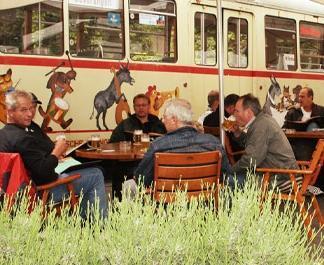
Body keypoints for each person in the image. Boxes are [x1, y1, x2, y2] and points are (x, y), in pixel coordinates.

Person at [0, 90, 108, 220]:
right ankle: (99, 227)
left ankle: (84, 222)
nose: (29, 114)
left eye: (31, 108)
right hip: (40, 192)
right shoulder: (22, 138)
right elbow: (44, 174)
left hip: (12, 195)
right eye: (23, 110)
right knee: (95, 174)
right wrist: (56, 153)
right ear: (10, 112)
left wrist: (56, 153)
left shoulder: (4, 134)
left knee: (88, 171)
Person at [134, 99, 233, 187]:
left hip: (167, 201)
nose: (162, 121)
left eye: (164, 117)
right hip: (204, 199)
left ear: (174, 120)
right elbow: (227, 174)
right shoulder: (214, 143)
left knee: (128, 185)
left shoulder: (158, 145)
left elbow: (141, 179)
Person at [230, 93, 299, 191]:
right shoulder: (262, 121)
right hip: (283, 173)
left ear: (249, 112)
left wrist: (230, 170)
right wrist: (237, 132)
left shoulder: (261, 126)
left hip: (280, 178)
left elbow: (251, 160)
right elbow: (253, 144)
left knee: (229, 180)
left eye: (237, 111)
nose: (234, 115)